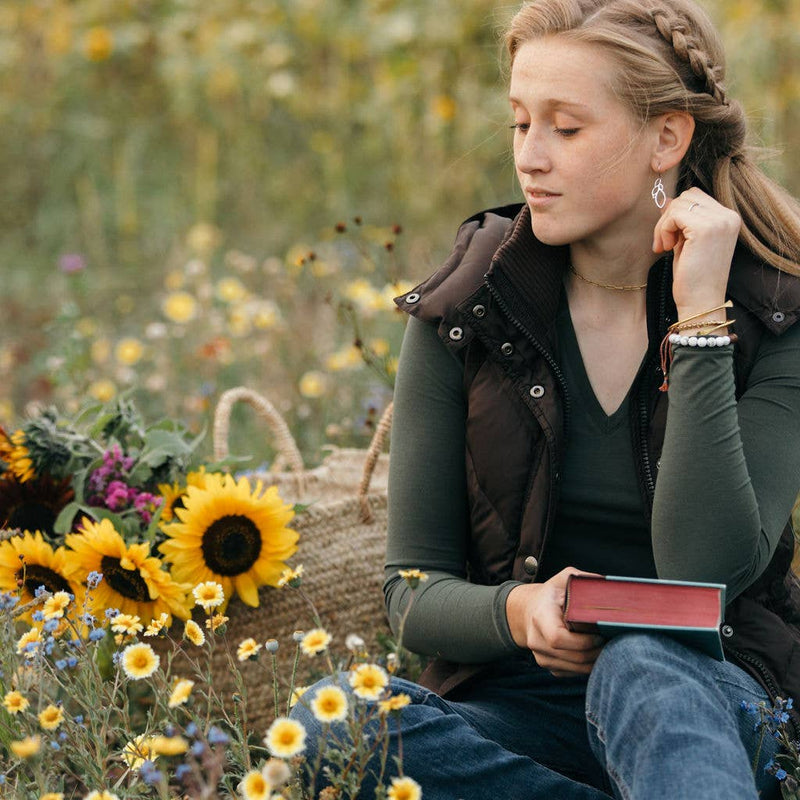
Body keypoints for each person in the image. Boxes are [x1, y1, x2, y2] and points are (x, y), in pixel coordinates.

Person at [292, 1, 800, 797]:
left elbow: (709, 569)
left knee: (642, 664)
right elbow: (412, 592)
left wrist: (701, 319)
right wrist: (519, 612)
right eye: (520, 124)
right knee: (340, 729)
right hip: (520, 712)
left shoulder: (774, 313)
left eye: (566, 129)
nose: (531, 157)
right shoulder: (467, 311)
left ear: (666, 137)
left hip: (710, 697)